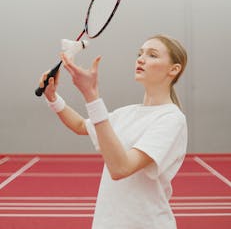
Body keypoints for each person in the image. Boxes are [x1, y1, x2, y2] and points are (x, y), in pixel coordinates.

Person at [40, 34, 188, 229]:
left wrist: (91, 96)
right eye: (140, 53)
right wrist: (52, 97)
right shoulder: (126, 113)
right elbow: (80, 125)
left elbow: (121, 168)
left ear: (174, 69)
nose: (141, 59)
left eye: (152, 55)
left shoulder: (171, 119)